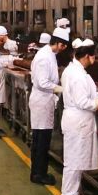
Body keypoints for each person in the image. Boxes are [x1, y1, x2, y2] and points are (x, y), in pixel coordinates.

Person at [59, 38, 98, 195]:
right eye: (93, 56)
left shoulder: (75, 70)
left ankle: (73, 193)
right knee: (73, 160)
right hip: (77, 121)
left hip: (77, 120)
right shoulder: (77, 75)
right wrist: (97, 104)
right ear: (86, 56)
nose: (94, 59)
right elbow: (82, 101)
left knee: (76, 159)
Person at [29, 27, 70, 186]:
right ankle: (38, 174)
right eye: (63, 46)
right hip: (42, 101)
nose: (63, 49)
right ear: (57, 43)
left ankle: (38, 172)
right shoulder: (44, 57)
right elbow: (42, 82)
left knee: (42, 139)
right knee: (41, 140)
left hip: (45, 100)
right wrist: (61, 89)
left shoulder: (50, 54)